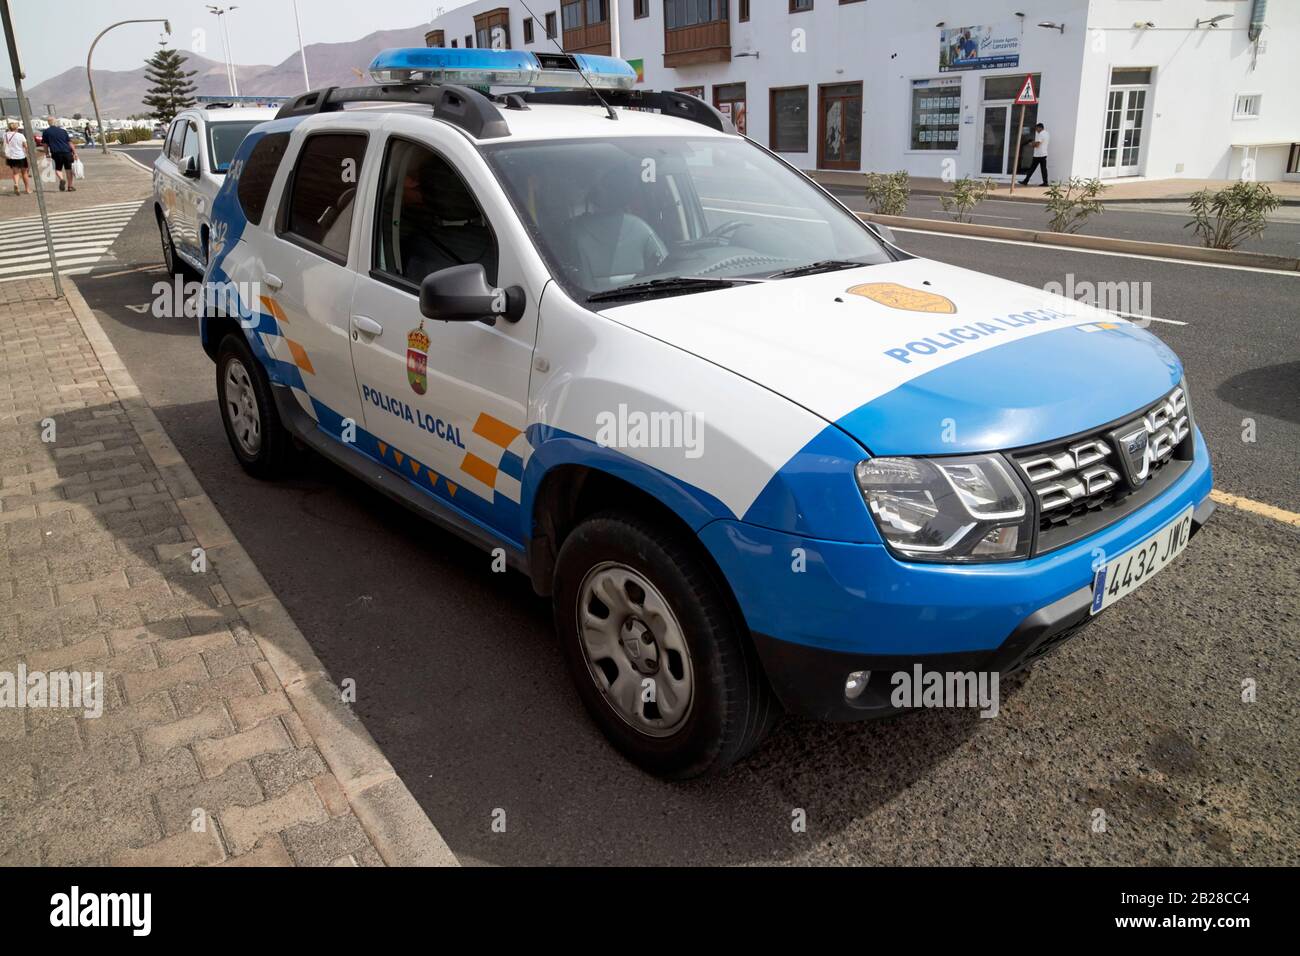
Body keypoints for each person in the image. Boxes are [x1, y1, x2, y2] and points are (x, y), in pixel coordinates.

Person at [41, 116, 77, 192]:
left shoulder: (46, 132)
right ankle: (70, 187)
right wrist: (74, 152)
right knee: (68, 169)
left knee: (57, 169)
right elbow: (69, 142)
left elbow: (45, 144)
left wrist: (47, 153)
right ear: (55, 122)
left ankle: (62, 179)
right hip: (67, 152)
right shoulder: (63, 131)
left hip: (56, 153)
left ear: (48, 123)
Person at [4, 120, 32, 195]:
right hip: (21, 156)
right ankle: (27, 189)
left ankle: (16, 184)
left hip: (11, 157)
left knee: (15, 173)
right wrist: (28, 153)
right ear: (17, 128)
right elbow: (25, 146)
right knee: (24, 173)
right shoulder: (20, 135)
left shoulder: (6, 135)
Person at [1021, 122, 1049, 186]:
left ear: (1040, 128)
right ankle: (1045, 182)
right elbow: (1040, 143)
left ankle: (1025, 181)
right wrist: (1034, 142)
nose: (1036, 130)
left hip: (1038, 155)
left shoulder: (1041, 134)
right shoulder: (1046, 133)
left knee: (1032, 168)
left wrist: (1031, 144)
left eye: (1037, 129)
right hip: (1044, 154)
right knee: (1043, 169)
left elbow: (1037, 145)